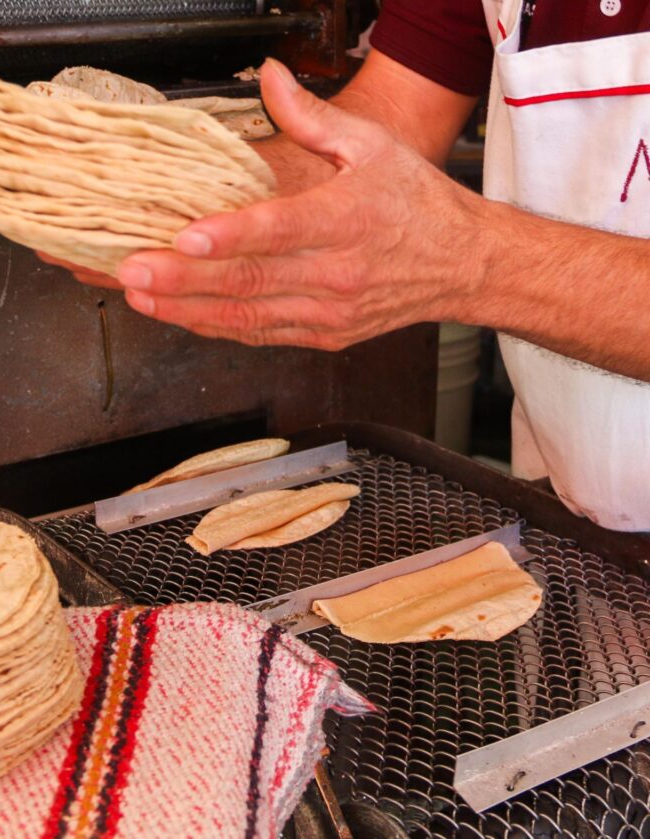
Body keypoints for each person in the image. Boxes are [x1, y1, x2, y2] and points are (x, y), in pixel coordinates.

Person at [40, 1, 650, 532]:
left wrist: (472, 261)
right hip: (570, 516)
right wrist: (208, 193)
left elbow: (465, 251)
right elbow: (396, 111)